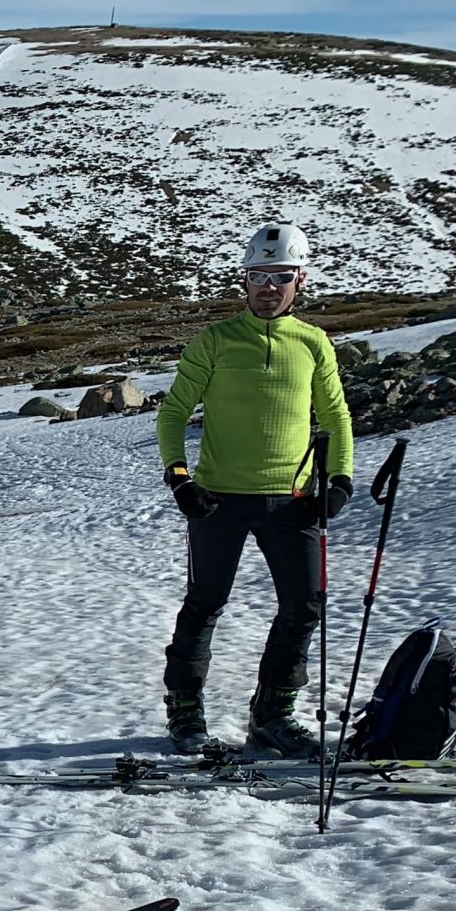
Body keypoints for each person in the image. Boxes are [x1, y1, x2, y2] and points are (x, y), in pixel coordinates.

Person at [155, 222, 357, 757]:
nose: (268, 287)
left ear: (300, 280)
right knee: (205, 603)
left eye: (281, 276)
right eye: (258, 276)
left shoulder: (313, 343)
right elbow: (174, 412)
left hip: (292, 501)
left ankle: (273, 715)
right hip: (218, 499)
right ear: (244, 281)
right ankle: (186, 714)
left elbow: (334, 413)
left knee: (305, 604)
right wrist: (180, 478)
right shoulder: (216, 341)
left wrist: (339, 479)